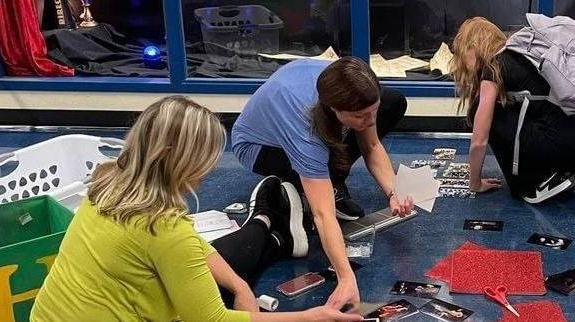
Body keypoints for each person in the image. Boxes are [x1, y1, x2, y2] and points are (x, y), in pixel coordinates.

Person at [31, 97, 359, 322]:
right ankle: (267, 224)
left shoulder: (108, 182)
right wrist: (310, 317)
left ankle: (267, 224)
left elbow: (192, 247)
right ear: (182, 161)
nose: (210, 168)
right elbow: (211, 319)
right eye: (206, 158)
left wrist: (239, 286)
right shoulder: (164, 229)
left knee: (226, 266)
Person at [231, 57, 412, 310]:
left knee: (394, 101)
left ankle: (325, 179)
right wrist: (346, 277)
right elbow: (323, 214)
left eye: (373, 110)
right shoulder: (305, 128)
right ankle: (298, 187)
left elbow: (371, 145)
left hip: (314, 125)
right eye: (360, 115)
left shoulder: (344, 83)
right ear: (334, 110)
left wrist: (394, 191)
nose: (371, 121)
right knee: (320, 176)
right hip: (260, 148)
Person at [451, 18, 575, 204]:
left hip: (568, 142)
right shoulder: (528, 55)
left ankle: (530, 184)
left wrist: (475, 183)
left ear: (473, 46)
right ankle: (572, 168)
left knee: (485, 113)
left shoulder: (494, 67)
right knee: (531, 111)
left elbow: (479, 140)